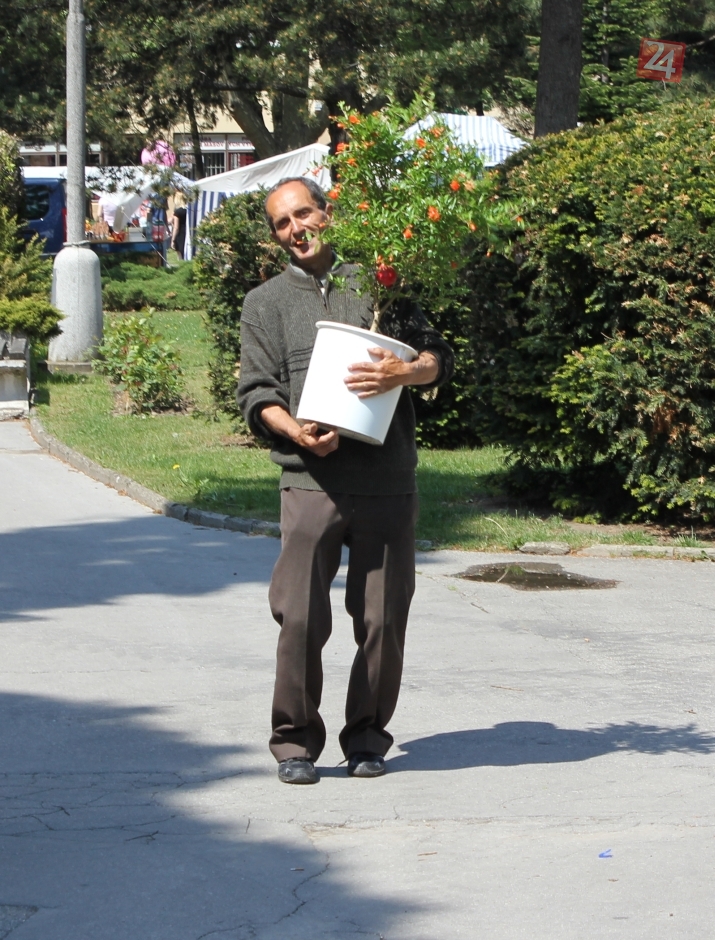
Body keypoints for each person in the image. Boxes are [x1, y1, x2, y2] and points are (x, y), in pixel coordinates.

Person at [237, 177, 454, 785]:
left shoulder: (383, 282)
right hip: (310, 481)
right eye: (282, 223)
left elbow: (438, 358)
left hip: (387, 479)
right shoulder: (264, 303)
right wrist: (295, 432)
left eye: (303, 214)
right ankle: (294, 742)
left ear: (326, 214)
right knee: (299, 616)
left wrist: (404, 372)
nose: (295, 229)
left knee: (383, 618)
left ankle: (366, 738)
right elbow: (257, 392)